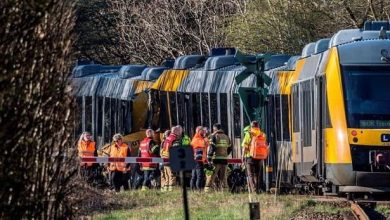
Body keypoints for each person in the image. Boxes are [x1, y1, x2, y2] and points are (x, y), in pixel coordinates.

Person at [204, 123, 232, 192]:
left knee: (212, 175)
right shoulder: (227, 137)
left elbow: (212, 148)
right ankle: (225, 190)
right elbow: (230, 148)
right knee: (224, 176)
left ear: (215, 129)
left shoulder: (214, 136)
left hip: (216, 159)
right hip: (224, 159)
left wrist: (209, 158)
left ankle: (208, 190)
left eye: (213, 129)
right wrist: (225, 154)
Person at [241, 121, 266, 193]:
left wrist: (242, 156)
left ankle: (254, 190)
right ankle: (257, 189)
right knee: (257, 175)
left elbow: (245, 146)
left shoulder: (249, 134)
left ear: (251, 126)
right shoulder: (262, 134)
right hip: (260, 157)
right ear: (258, 126)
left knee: (250, 174)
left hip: (250, 157)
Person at [160, 126, 182, 191]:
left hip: (164, 159)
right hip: (171, 160)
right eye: (178, 131)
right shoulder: (175, 139)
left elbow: (162, 149)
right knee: (172, 175)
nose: (179, 133)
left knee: (167, 176)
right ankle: (172, 189)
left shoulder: (167, 139)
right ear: (175, 131)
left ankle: (166, 188)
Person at [190, 126, 208, 190]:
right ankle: (199, 190)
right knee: (199, 176)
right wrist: (206, 139)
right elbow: (204, 146)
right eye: (202, 130)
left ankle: (193, 189)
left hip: (194, 160)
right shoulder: (198, 139)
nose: (203, 131)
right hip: (198, 160)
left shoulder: (195, 138)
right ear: (198, 131)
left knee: (194, 176)